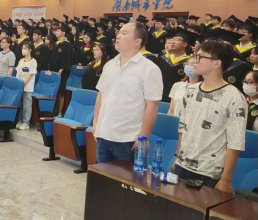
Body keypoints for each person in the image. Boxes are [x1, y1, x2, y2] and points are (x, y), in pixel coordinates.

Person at [172, 39, 246, 193]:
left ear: (216, 63)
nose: (194, 61)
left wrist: (226, 180)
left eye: (199, 57)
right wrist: (177, 158)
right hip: (182, 165)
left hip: (209, 172)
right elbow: (182, 128)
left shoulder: (234, 98)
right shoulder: (191, 91)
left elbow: (235, 143)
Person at [92, 22, 163, 163]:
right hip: (104, 134)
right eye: (119, 32)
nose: (118, 36)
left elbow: (152, 106)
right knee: (102, 177)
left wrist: (143, 137)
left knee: (126, 177)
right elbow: (101, 95)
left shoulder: (149, 69)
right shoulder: (109, 65)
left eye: (124, 33)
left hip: (128, 139)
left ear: (137, 41)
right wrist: (95, 123)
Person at [48, 25, 72, 117]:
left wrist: (61, 69)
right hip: (54, 70)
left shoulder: (67, 45)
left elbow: (66, 58)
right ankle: (53, 110)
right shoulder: (56, 44)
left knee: (61, 92)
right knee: (53, 91)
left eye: (58, 31)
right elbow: (52, 58)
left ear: (63, 33)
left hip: (62, 72)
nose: (56, 32)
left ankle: (60, 112)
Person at [16, 42, 37, 130]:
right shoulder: (21, 60)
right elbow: (18, 72)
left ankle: (26, 122)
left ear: (30, 50)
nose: (23, 50)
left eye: (25, 48)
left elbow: (30, 75)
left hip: (27, 87)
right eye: (22, 48)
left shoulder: (33, 61)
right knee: (20, 105)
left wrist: (23, 83)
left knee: (26, 105)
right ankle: (20, 120)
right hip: (20, 86)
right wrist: (17, 82)